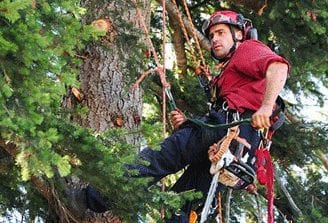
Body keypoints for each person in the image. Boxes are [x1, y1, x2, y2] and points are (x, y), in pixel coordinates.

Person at [131, 9, 290, 222]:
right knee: (184, 203)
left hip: (228, 131)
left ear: (239, 34)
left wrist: (266, 107)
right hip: (230, 142)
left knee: (160, 157)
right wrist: (189, 123)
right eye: (212, 35)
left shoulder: (247, 49)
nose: (214, 39)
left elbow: (278, 67)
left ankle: (96, 196)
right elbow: (228, 106)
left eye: (221, 33)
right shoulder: (229, 73)